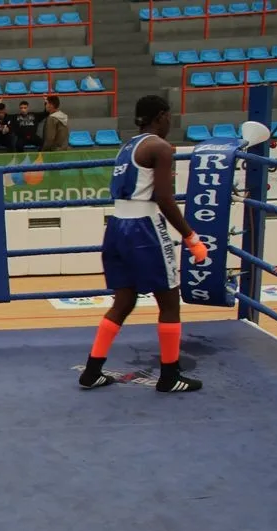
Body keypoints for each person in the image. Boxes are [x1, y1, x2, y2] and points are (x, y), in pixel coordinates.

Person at [78, 95, 207, 393]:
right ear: (160, 116)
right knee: (169, 301)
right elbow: (164, 198)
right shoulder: (160, 147)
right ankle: (170, 376)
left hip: (116, 227)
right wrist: (191, 237)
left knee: (124, 300)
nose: (170, 121)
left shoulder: (127, 146)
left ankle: (92, 370)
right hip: (143, 227)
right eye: (168, 116)